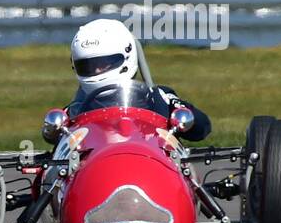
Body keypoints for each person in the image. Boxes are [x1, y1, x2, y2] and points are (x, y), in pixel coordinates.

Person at [64, 19, 212, 141]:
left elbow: (201, 127)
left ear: (127, 55)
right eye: (87, 66)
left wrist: (179, 113)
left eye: (102, 64)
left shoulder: (158, 98)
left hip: (149, 163)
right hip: (96, 167)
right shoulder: (77, 109)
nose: (96, 71)